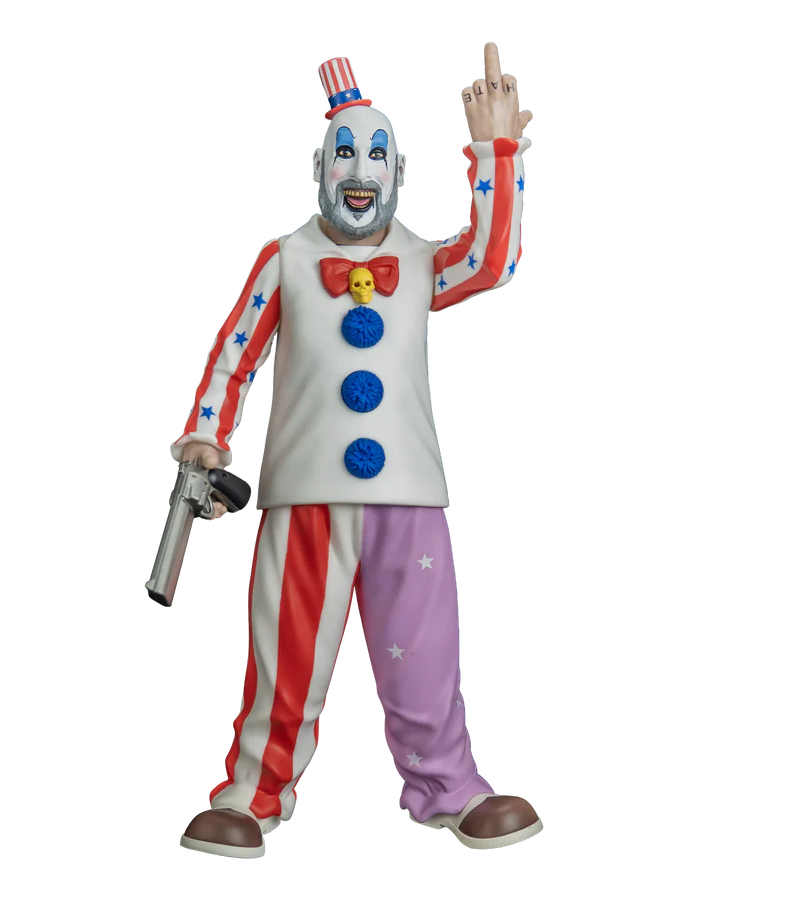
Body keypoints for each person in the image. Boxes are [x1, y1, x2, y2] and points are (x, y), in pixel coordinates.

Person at [175, 46, 540, 858]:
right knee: (287, 656)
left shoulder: (420, 260)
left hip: (409, 493)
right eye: (346, 153)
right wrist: (205, 433)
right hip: (303, 490)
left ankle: (449, 787)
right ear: (320, 167)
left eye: (378, 153)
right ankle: (253, 794)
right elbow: (233, 354)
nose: (361, 170)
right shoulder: (284, 259)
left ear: (399, 169)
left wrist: (493, 149)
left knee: (427, 652)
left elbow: (493, 262)